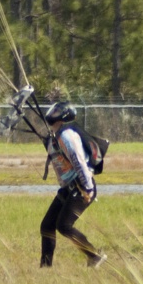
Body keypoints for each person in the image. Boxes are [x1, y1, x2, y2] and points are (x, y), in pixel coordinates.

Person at [39, 101, 106, 269]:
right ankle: (45, 267)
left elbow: (79, 162)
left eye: (57, 111)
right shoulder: (56, 136)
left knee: (64, 225)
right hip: (68, 188)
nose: (53, 113)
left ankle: (94, 255)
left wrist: (88, 187)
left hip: (81, 186)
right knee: (47, 225)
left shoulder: (67, 135)